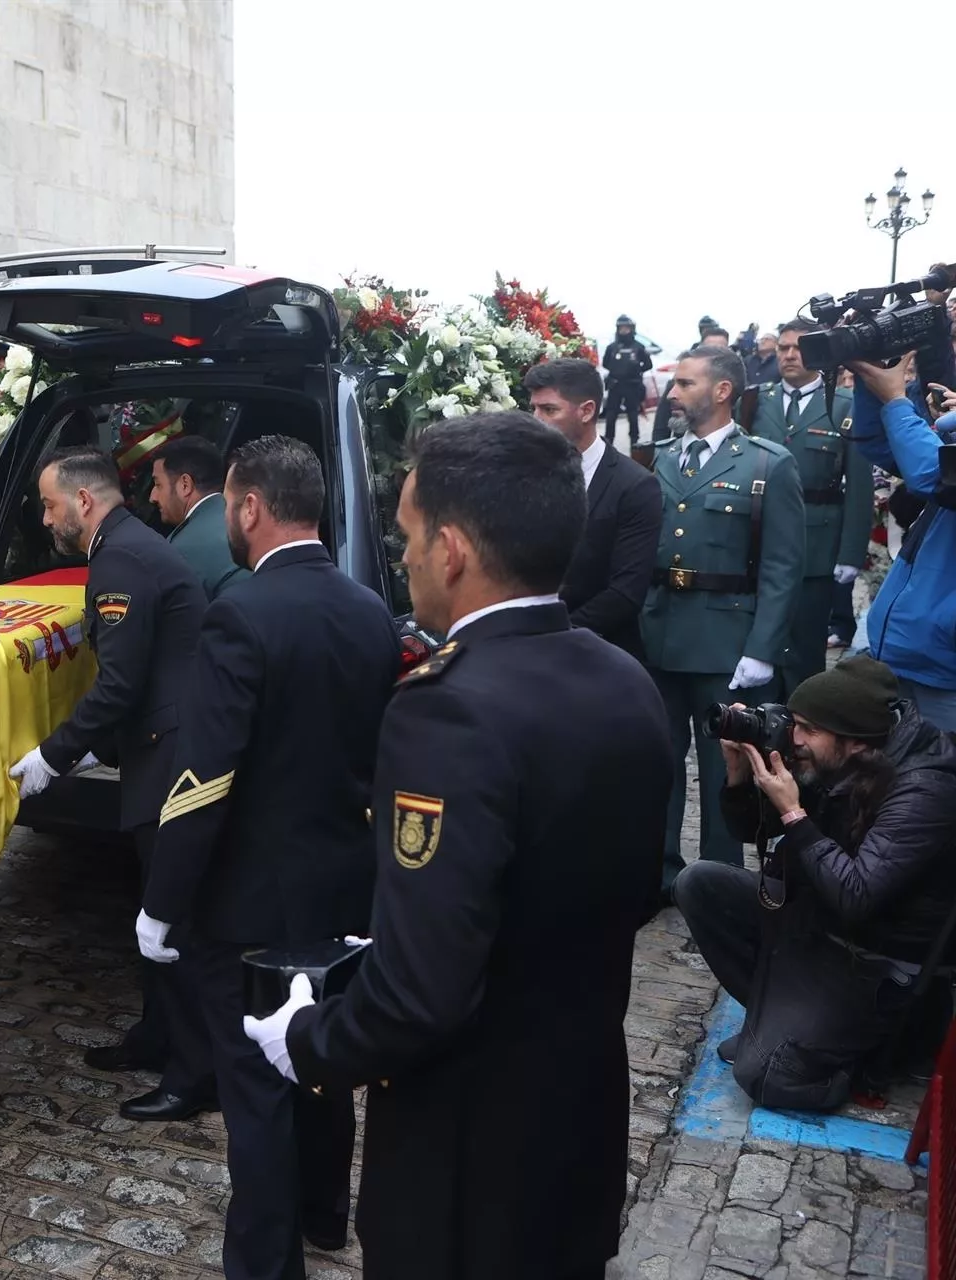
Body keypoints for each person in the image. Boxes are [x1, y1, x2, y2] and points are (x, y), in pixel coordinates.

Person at [243, 412, 672, 1280]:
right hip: (580, 1108)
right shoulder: (622, 676)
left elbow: (422, 999)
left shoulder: (446, 707)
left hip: (468, 1150)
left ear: (452, 550)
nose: (400, 558)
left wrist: (310, 1040)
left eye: (406, 536)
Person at [142, 436, 397, 1273]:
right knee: (321, 1059)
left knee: (255, 1090)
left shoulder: (240, 612)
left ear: (249, 507)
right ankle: (325, 1214)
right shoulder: (368, 607)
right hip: (342, 883)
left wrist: (163, 900)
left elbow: (206, 775)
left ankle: (264, 1262)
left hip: (250, 898)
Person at [9, 448, 214, 1120]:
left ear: (84, 503)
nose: (46, 518)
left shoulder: (121, 560)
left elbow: (119, 686)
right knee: (156, 903)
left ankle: (193, 1074)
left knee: (171, 917)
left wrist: (53, 757)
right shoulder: (132, 545)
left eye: (50, 505)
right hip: (166, 741)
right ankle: (158, 1037)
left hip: (173, 755)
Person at [677, 656, 956, 1111]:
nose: (795, 738)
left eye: (808, 729)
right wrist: (739, 776)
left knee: (763, 1075)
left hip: (875, 962)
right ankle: (782, 1030)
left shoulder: (925, 790)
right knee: (700, 883)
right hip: (819, 925)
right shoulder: (839, 759)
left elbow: (857, 896)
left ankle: (856, 1055)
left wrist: (794, 812)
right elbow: (751, 832)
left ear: (853, 741)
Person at [641, 345, 804, 894]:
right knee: (658, 761)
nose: (674, 393)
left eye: (686, 383)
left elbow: (783, 567)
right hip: (659, 633)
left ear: (722, 390)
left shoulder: (766, 462)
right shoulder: (659, 457)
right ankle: (658, 874)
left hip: (726, 640)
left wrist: (762, 648)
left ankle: (719, 883)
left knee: (724, 768)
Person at [747, 320, 874, 686]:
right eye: (783, 348)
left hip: (816, 543)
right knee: (760, 638)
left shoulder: (843, 404)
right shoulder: (756, 401)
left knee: (805, 646)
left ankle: (802, 727)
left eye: (798, 348)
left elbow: (860, 486)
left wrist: (850, 554)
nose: (788, 355)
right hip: (760, 538)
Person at [844, 354, 956, 731]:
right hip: (907, 650)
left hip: (946, 664)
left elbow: (933, 476)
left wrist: (895, 401)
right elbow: (880, 445)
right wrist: (870, 375)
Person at [525, 357, 663, 660]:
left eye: (549, 410)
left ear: (587, 410)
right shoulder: (521, 475)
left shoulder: (634, 486)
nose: (536, 419)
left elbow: (625, 592)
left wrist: (554, 635)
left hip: (600, 654)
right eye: (533, 408)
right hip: (524, 650)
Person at [148, 434, 249, 600]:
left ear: (185, 485)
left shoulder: (181, 548)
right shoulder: (246, 520)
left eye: (158, 484)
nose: (153, 497)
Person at [600, 314, 651, 447]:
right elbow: (605, 363)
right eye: (621, 328)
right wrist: (617, 370)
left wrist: (635, 369)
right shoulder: (612, 347)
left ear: (631, 329)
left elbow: (648, 365)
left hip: (632, 385)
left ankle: (635, 445)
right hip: (615, 385)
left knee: (633, 415)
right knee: (611, 415)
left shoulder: (639, 347)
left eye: (626, 328)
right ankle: (609, 443)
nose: (624, 330)